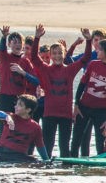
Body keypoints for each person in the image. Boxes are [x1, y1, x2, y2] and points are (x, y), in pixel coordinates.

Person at [28, 25, 93, 158]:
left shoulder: (69, 69)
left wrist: (88, 40)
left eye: (60, 53)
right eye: (55, 54)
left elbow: (86, 58)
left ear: (64, 55)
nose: (57, 56)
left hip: (65, 116)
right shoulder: (46, 69)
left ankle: (65, 172)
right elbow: (34, 58)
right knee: (48, 146)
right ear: (50, 56)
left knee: (64, 148)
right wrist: (37, 38)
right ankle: (46, 172)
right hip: (49, 114)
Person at [70, 39, 106, 157]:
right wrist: (76, 105)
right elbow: (82, 85)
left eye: (99, 49)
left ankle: (100, 166)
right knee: (76, 139)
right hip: (84, 108)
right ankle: (70, 164)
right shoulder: (93, 64)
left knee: (101, 142)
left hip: (100, 111)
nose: (97, 51)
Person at [0, 26, 39, 134]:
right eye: (14, 42)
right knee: (4, 128)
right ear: (9, 44)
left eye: (20, 42)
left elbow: (36, 81)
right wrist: (4, 37)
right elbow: (2, 49)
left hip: (20, 100)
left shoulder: (25, 61)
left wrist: (23, 73)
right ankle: (1, 146)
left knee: (19, 127)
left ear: (23, 45)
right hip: (5, 97)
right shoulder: (4, 57)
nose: (17, 45)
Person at [0, 94, 49, 162]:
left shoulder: (35, 127)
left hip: (20, 156)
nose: (15, 107)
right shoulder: (11, 117)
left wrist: (47, 161)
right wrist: (7, 117)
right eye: (16, 104)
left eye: (19, 105)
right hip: (2, 154)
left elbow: (40, 146)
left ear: (28, 110)